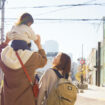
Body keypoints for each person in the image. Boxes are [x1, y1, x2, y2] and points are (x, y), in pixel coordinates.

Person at [0, 35, 47, 105]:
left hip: (7, 100)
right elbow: (44, 61)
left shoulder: (4, 58)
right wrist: (38, 44)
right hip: (27, 100)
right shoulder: (33, 58)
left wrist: (6, 42)